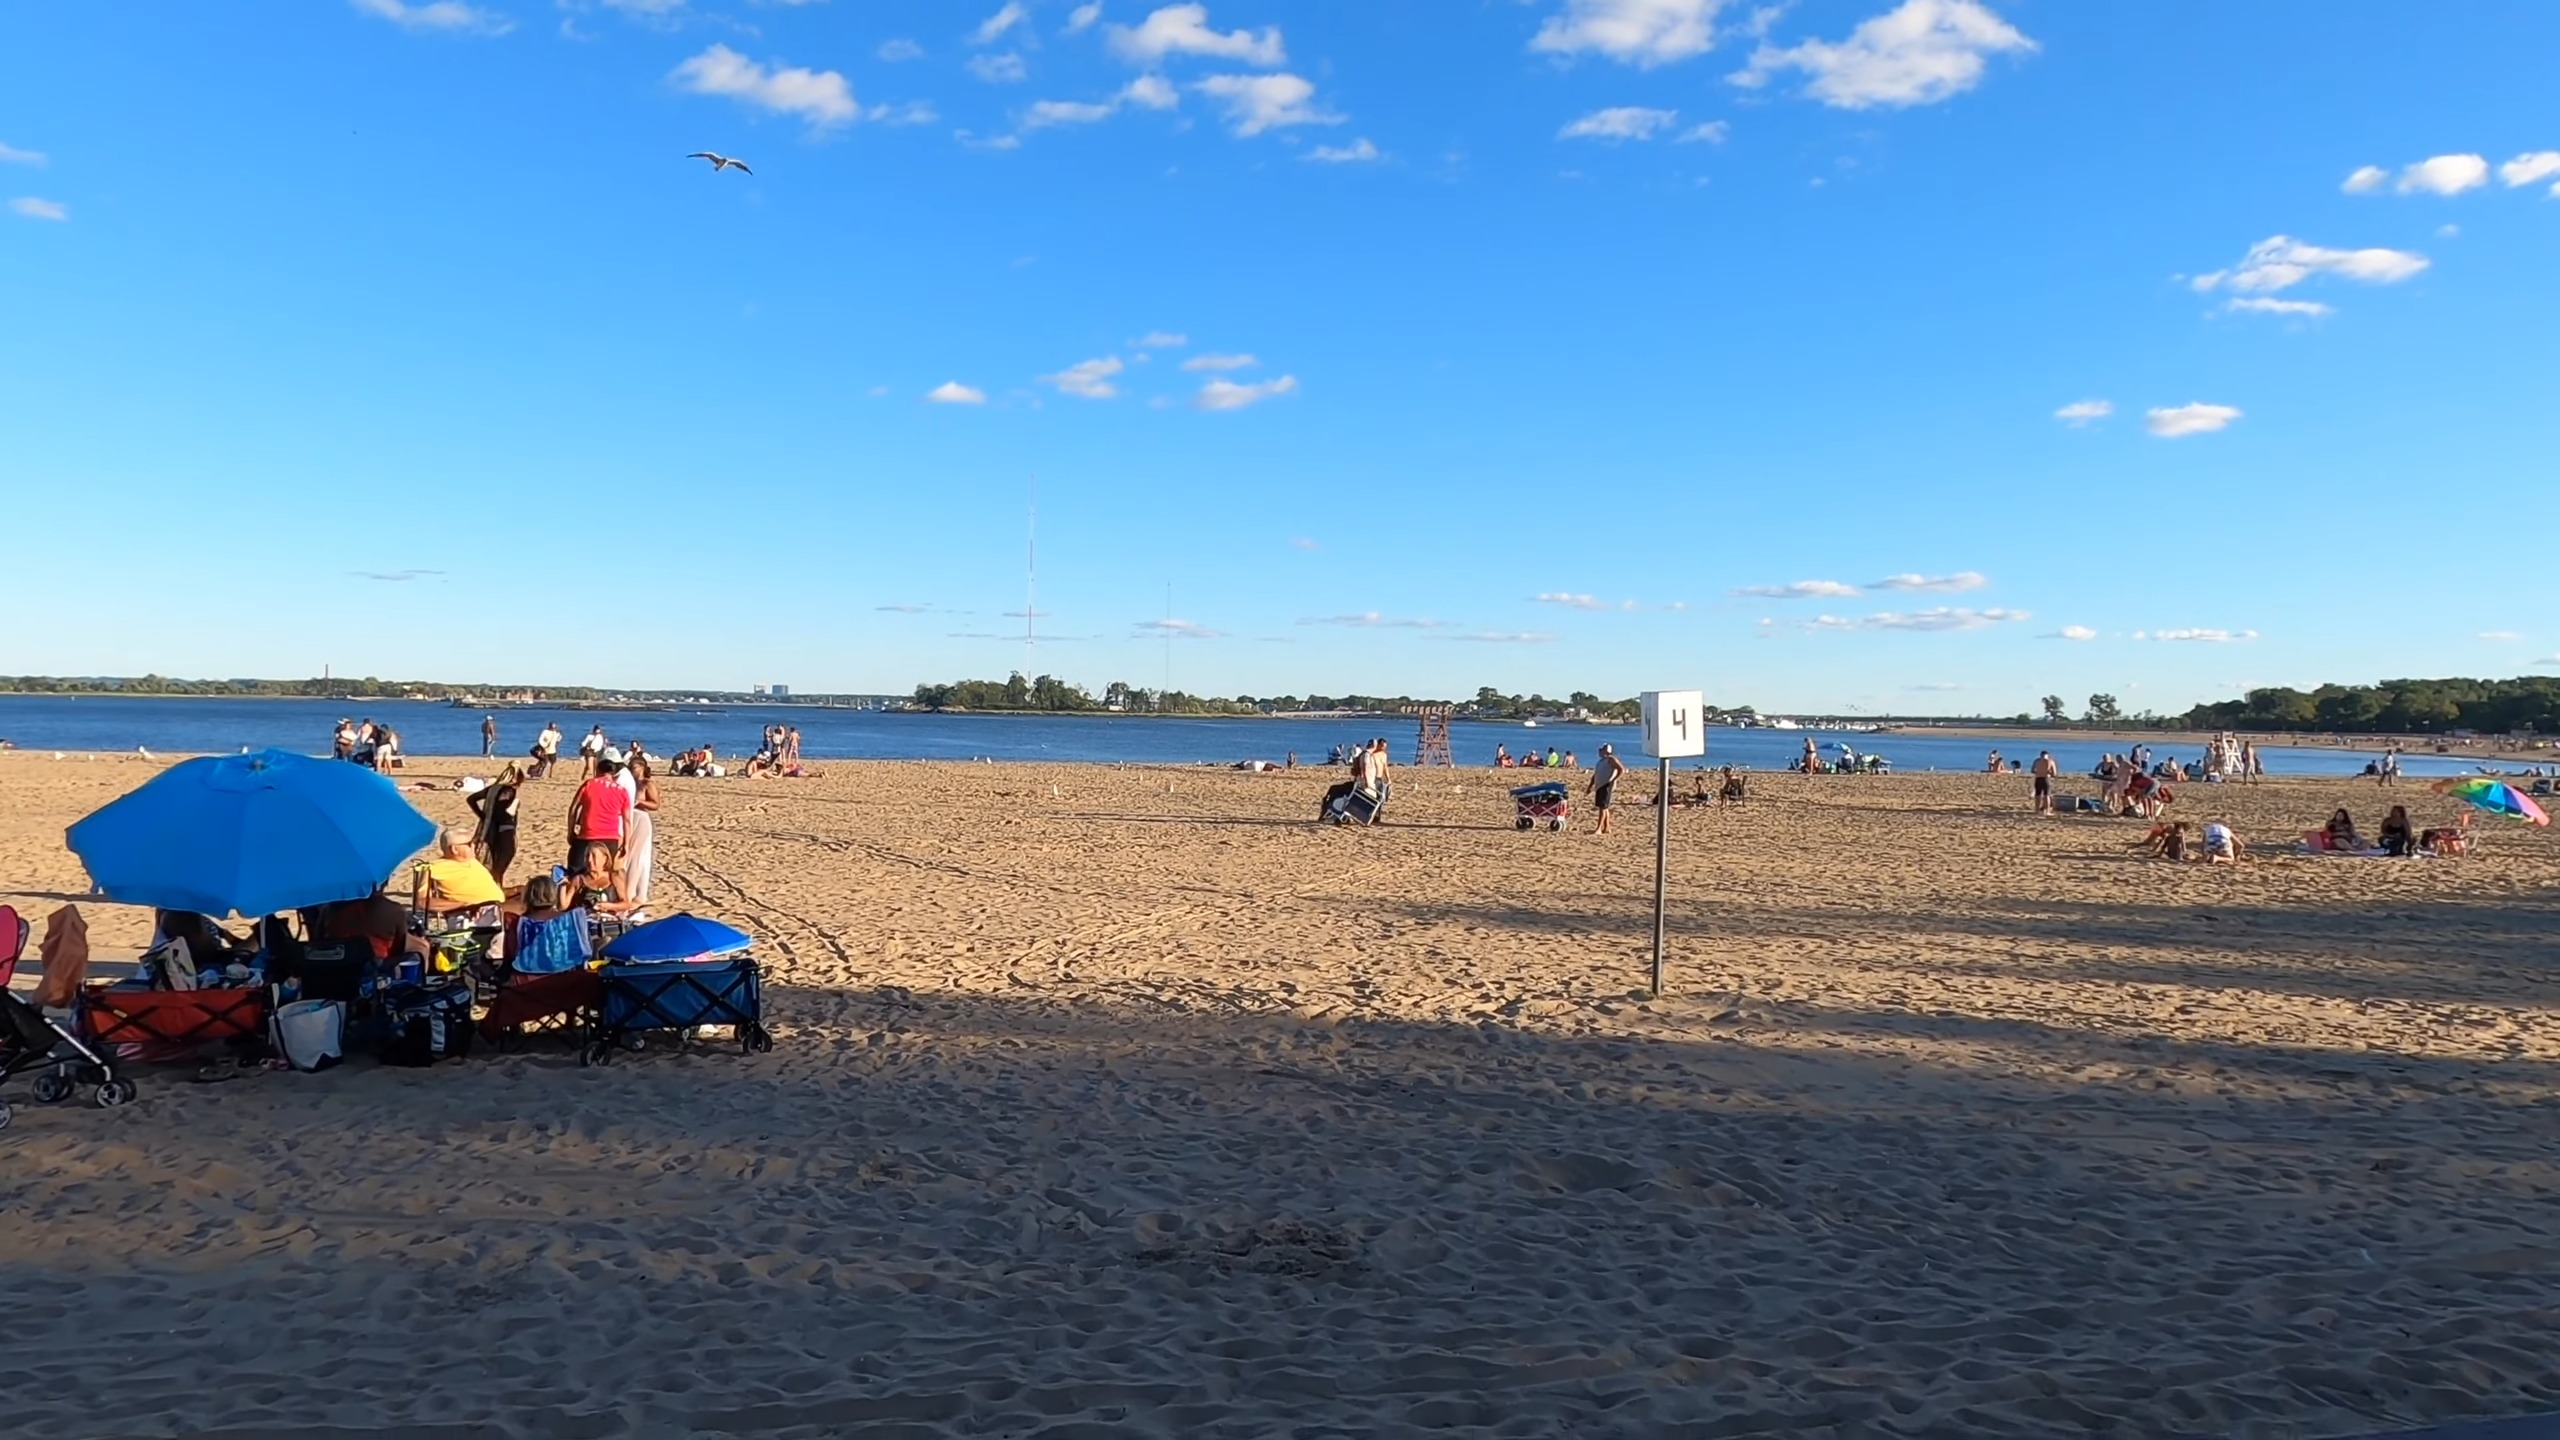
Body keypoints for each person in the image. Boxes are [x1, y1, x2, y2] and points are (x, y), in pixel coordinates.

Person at [567, 753, 633, 877]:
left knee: (576, 873)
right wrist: (626, 844)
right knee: (605, 875)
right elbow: (627, 820)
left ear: (598, 771)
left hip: (587, 835)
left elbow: (573, 809)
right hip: (610, 837)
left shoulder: (589, 784)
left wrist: (570, 831)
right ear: (613, 774)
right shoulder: (622, 791)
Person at [413, 825, 504, 915]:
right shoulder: (433, 868)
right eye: (469, 844)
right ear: (455, 849)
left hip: (497, 905)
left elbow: (489, 892)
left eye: (474, 842)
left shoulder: (473, 861)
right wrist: (461, 904)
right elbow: (422, 902)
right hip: (478, 910)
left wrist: (515, 890)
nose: (474, 846)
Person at [467, 763, 524, 883]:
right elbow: (503, 811)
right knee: (501, 864)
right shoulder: (508, 790)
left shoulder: (492, 789)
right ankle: (496, 889)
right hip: (504, 829)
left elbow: (471, 799)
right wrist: (513, 807)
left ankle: (495, 886)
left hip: (490, 829)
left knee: (494, 860)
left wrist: (482, 815)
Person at [622, 753, 660, 909]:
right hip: (630, 817)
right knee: (628, 853)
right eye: (630, 768)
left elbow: (656, 804)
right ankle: (627, 888)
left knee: (638, 855)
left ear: (643, 768)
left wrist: (639, 802)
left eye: (635, 767)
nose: (632, 770)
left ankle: (634, 891)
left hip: (641, 818)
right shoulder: (629, 783)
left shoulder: (646, 784)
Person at [1589, 743, 1630, 835]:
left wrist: (1614, 780)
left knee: (1602, 807)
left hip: (1606, 785)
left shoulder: (1611, 759)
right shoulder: (1601, 761)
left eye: (1602, 750)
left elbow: (1621, 769)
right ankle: (1607, 827)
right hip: (1599, 786)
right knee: (1604, 807)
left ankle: (1599, 828)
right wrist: (1590, 786)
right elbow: (1595, 775)